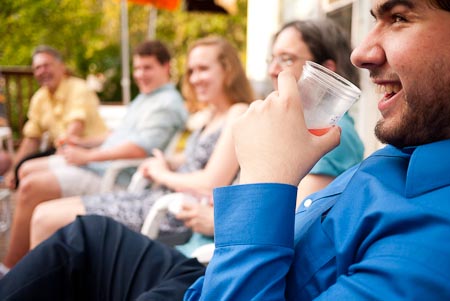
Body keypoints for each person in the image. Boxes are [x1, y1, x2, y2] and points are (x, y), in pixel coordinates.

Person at [2, 0, 450, 299]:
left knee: (57, 219)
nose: (362, 52)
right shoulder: (411, 141)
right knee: (86, 236)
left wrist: (264, 176)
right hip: (208, 267)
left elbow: (236, 195)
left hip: (222, 272)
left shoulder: (432, 242)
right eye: (373, 18)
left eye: (399, 17)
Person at [9, 36, 255, 269]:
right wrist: (164, 161)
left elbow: (211, 181)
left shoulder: (238, 112)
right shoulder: (212, 115)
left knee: (45, 220)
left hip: (172, 214)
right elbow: (194, 160)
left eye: (203, 69)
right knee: (43, 213)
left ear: (228, 70)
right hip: (155, 198)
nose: (194, 78)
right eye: (191, 71)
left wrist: (161, 173)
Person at [0, 40, 188, 271]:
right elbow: (116, 136)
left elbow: (138, 149)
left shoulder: (167, 104)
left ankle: (12, 268)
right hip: (101, 165)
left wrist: (87, 156)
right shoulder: (146, 97)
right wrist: (83, 143)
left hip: (118, 178)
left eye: (147, 68)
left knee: (30, 186)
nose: (140, 74)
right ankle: (35, 255)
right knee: (26, 170)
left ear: (166, 66)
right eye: (137, 68)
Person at [267, 19, 364, 205]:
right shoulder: (304, 125)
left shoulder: (330, 132)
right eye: (272, 59)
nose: (272, 70)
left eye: (287, 59)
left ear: (326, 70)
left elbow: (296, 223)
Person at [4, 45, 109, 189]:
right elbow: (31, 138)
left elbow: (74, 131)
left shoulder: (78, 88)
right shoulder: (40, 97)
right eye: (37, 68)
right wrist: (13, 169)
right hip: (63, 151)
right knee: (21, 170)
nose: (42, 71)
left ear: (62, 67)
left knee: (28, 174)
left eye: (46, 65)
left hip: (89, 153)